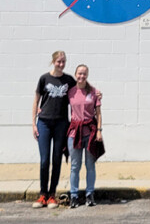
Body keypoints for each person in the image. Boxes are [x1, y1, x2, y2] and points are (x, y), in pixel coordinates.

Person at [32, 51, 75, 208]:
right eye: (58, 61)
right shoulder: (44, 78)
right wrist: (33, 123)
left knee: (56, 159)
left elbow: (81, 90)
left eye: (63, 61)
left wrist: (95, 92)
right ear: (53, 61)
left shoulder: (69, 80)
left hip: (61, 124)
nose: (61, 64)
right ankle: (42, 194)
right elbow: (36, 100)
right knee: (44, 160)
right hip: (44, 123)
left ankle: (52, 195)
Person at [67, 64, 103, 208]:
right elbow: (56, 103)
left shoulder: (94, 92)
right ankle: (74, 195)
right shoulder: (70, 92)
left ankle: (89, 194)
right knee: (75, 166)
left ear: (87, 75)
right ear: (75, 74)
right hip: (74, 133)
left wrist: (99, 130)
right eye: (79, 73)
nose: (82, 76)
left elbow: (98, 113)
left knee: (90, 165)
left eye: (84, 74)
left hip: (90, 132)